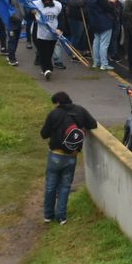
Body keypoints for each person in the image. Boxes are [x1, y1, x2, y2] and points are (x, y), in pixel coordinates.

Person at [38, 91, 97, 225]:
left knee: (50, 186)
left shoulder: (54, 114)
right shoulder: (80, 111)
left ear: (58, 102)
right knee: (65, 187)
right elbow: (93, 124)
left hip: (55, 155)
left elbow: (44, 134)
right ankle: (61, 217)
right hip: (72, 156)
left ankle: (48, 215)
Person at [32, 0, 64, 80]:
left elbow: (61, 18)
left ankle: (46, 68)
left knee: (50, 52)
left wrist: (60, 29)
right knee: (43, 52)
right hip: (40, 33)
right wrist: (32, 12)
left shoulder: (57, 5)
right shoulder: (37, 4)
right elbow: (29, 15)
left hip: (53, 33)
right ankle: (47, 70)